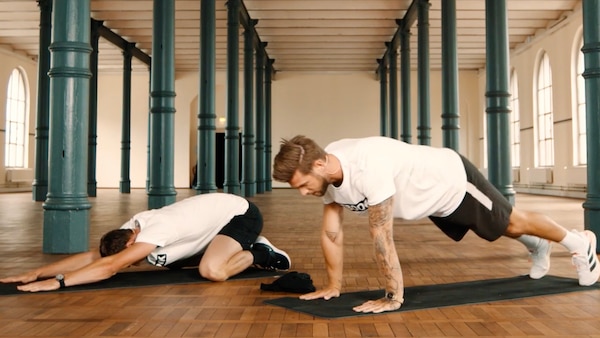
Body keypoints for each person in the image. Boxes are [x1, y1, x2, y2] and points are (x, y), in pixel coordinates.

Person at [272, 135, 600, 314]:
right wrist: (333, 286)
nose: (303, 193)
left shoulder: (367, 167)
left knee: (513, 222)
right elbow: (332, 232)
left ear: (319, 163)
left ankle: (580, 244)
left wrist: (393, 296)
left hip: (452, 180)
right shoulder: (328, 172)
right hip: (432, 200)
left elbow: (381, 236)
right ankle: (538, 243)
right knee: (499, 229)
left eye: (304, 184)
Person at [0, 192, 290, 292]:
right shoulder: (131, 229)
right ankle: (224, 248)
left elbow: (111, 266)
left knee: (212, 272)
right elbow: (95, 257)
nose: (133, 261)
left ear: (131, 244)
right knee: (167, 261)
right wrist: (38, 272)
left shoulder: (157, 229)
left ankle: (260, 252)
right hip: (205, 226)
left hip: (239, 215)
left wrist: (59, 282)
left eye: (131, 256)